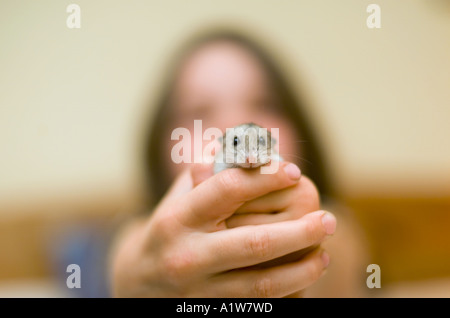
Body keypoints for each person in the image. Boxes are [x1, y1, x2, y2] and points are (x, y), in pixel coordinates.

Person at [110, 29, 369, 297]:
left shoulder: (341, 228)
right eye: (198, 110)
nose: (234, 126)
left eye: (264, 104)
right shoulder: (131, 230)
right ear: (158, 147)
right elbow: (128, 249)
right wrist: (138, 274)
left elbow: (342, 248)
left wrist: (310, 251)